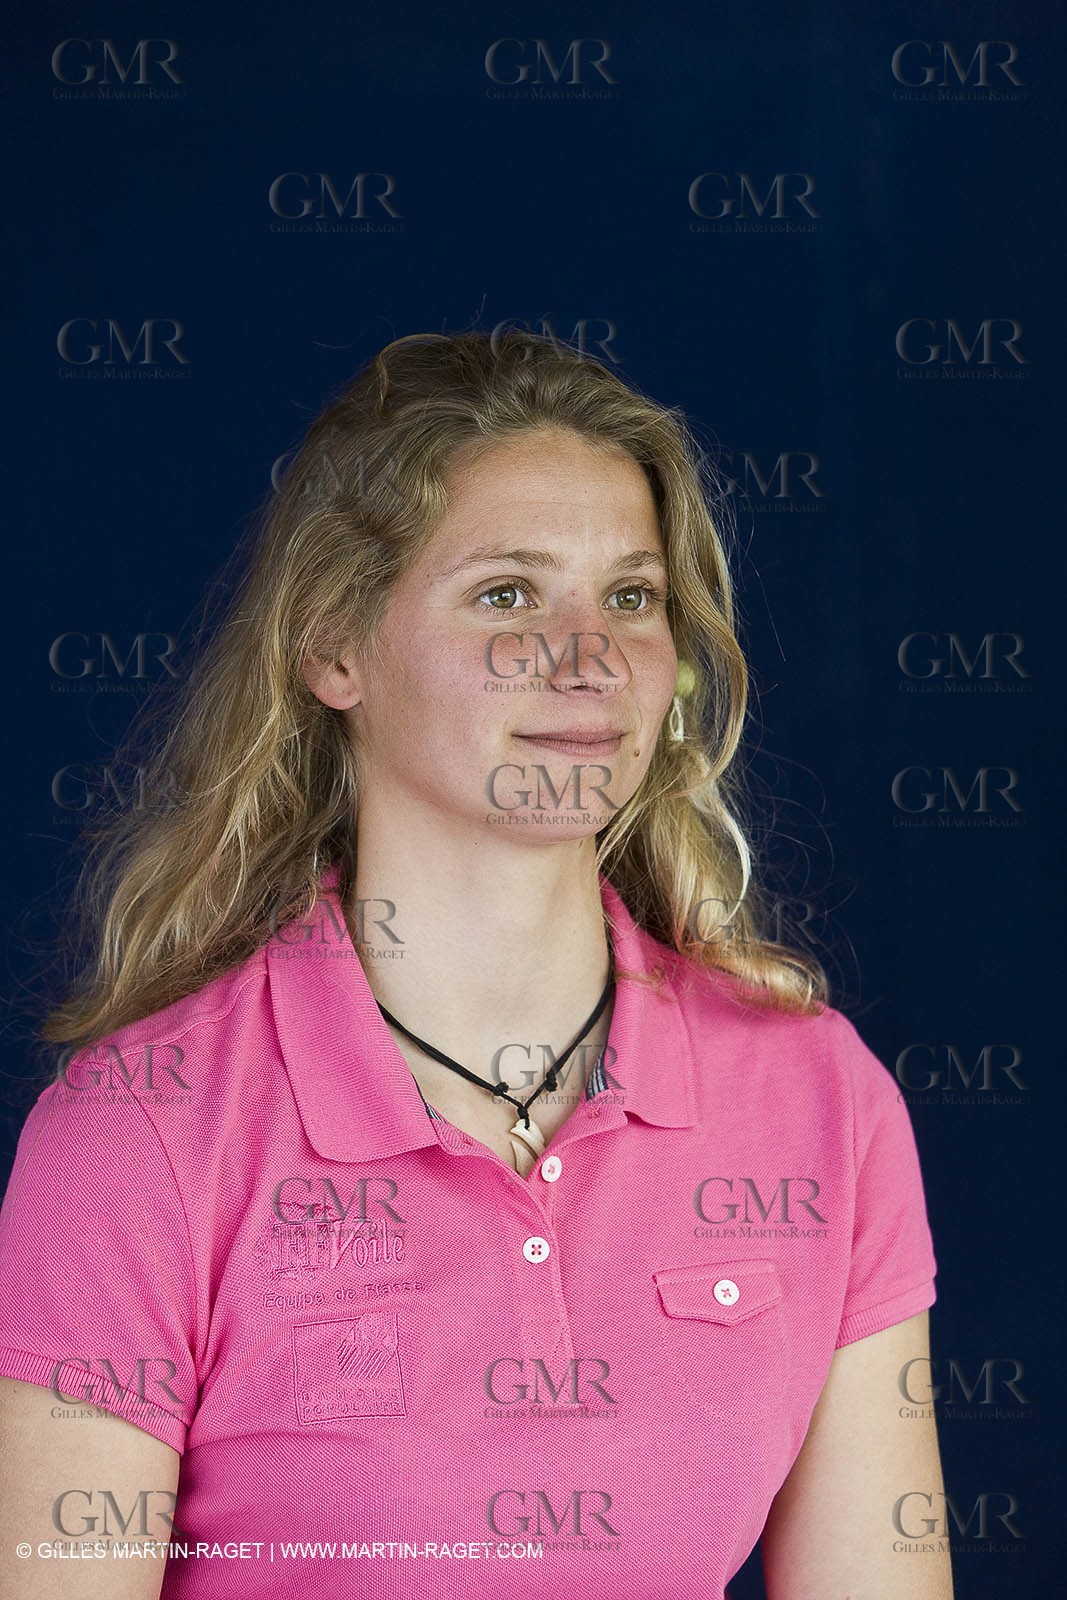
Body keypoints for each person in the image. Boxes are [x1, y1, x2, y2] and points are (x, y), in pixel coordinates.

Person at [0, 330, 953, 1599]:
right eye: (507, 593)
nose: (588, 656)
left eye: (629, 596)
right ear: (334, 647)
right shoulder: (140, 1135)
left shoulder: (819, 1097)